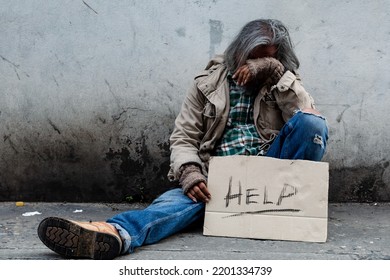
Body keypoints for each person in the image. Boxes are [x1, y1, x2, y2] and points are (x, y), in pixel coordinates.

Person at [37, 19, 328, 259]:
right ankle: (115, 233)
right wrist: (189, 171)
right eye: (256, 55)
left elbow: (309, 120)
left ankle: (278, 212)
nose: (261, 62)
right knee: (172, 204)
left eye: (270, 56)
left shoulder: (283, 82)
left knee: (311, 123)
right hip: (220, 182)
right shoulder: (207, 84)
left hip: (272, 180)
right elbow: (183, 137)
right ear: (240, 51)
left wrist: (277, 74)